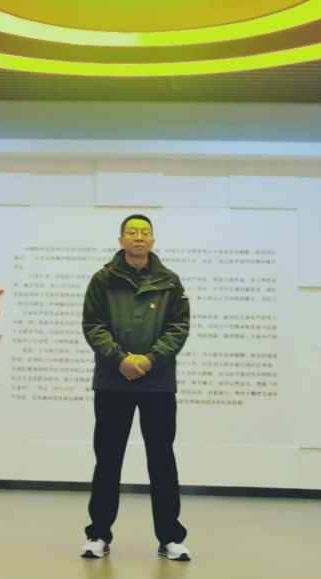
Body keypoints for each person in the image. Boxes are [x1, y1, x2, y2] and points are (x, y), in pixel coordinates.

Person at [80, 214, 191, 562]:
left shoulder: (170, 281)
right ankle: (98, 534)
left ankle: (170, 538)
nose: (138, 237)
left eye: (144, 233)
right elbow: (93, 324)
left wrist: (150, 360)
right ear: (121, 240)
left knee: (162, 460)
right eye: (132, 232)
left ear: (152, 241)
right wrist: (120, 359)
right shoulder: (103, 279)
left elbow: (178, 327)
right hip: (113, 380)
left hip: (158, 383)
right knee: (108, 459)